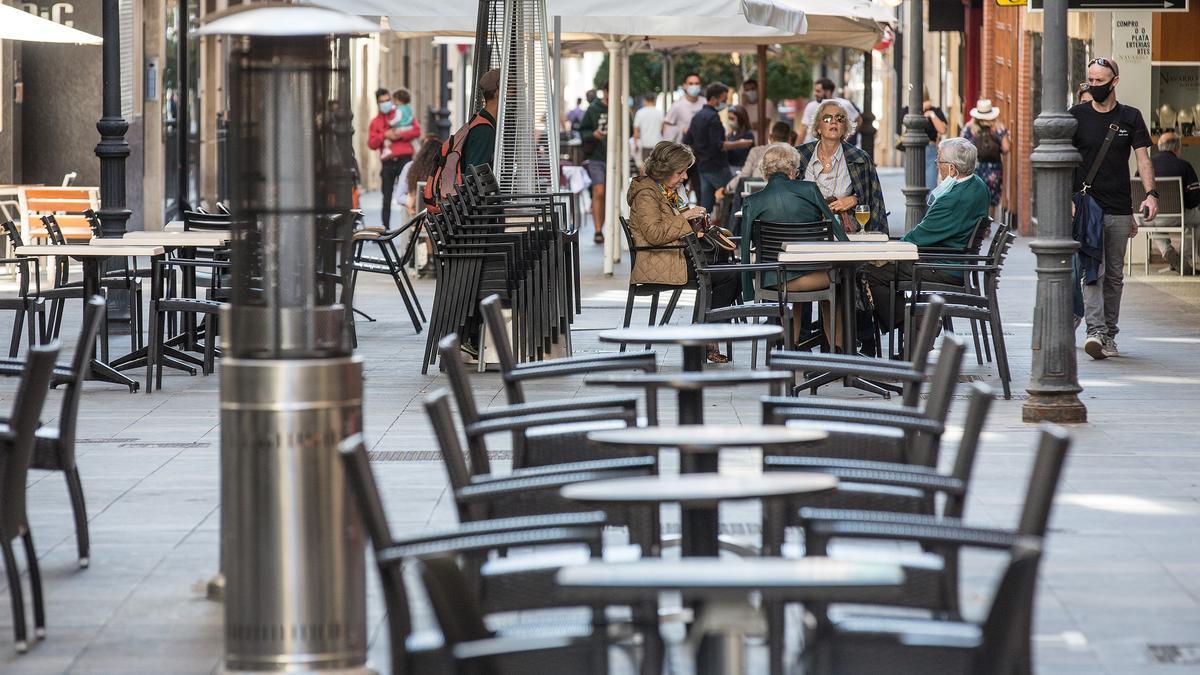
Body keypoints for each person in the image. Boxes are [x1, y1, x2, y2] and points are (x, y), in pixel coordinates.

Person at [1070, 56, 1157, 360]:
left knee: (1115, 274)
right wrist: (1069, 198)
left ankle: (1109, 334)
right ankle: (1095, 332)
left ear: (1114, 81)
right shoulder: (1076, 115)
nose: (1094, 86)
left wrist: (1151, 193)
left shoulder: (1131, 117)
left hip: (1120, 206)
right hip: (1088, 206)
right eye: (1090, 81)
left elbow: (1143, 159)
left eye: (1099, 81)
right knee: (1094, 269)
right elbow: (1065, 160)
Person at [627, 141, 740, 362]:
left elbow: (673, 224)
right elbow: (654, 235)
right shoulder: (646, 195)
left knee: (728, 270)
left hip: (674, 254)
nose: (685, 177)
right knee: (729, 274)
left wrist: (694, 218)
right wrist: (685, 217)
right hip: (659, 260)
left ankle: (705, 330)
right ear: (664, 172)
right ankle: (706, 332)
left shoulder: (668, 191)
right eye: (680, 172)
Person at [865, 138, 990, 331]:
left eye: (938, 162)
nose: (937, 167)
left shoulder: (951, 199)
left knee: (870, 272)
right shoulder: (978, 184)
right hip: (953, 261)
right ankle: (913, 329)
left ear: (951, 169)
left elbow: (919, 237)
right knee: (880, 268)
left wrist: (888, 253)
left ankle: (918, 324)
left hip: (943, 266)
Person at [738, 144, 846, 348]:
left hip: (772, 280)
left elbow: (745, 248)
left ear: (764, 171)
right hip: (814, 278)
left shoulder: (752, 202)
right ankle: (837, 351)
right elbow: (837, 233)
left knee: (794, 290)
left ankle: (791, 348)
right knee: (841, 282)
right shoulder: (810, 189)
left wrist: (749, 292)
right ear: (793, 170)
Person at [796, 100, 888, 234]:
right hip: (805, 230)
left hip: (846, 232)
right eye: (827, 118)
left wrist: (855, 199)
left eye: (840, 118)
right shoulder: (799, 156)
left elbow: (874, 201)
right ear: (818, 127)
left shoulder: (860, 158)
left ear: (844, 127)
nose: (834, 122)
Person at [683, 82, 754, 214]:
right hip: (717, 166)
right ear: (715, 98)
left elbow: (687, 140)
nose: (725, 102)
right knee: (733, 194)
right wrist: (741, 143)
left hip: (702, 165)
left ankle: (703, 230)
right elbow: (719, 145)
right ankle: (732, 228)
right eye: (724, 99)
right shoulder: (713, 118)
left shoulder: (697, 116)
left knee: (705, 205)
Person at [368, 87, 422, 228]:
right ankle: (385, 229)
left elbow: (416, 130)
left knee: (409, 194)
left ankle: (412, 227)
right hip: (388, 163)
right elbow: (371, 144)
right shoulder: (375, 122)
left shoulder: (402, 112)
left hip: (405, 159)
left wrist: (399, 135)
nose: (386, 103)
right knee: (386, 197)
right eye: (382, 101)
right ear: (378, 103)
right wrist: (384, 135)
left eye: (388, 100)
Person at [1147, 131, 1200, 274]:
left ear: (1159, 146)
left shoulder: (1147, 165)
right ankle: (1183, 259)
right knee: (1195, 222)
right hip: (1176, 216)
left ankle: (1168, 252)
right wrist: (1188, 206)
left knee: (1153, 220)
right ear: (1177, 148)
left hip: (1150, 217)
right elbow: (1195, 197)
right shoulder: (1184, 166)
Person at [961, 99, 1011, 213]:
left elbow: (962, 147)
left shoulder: (969, 128)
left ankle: (977, 225)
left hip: (975, 168)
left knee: (975, 198)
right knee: (991, 200)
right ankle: (987, 226)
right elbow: (1006, 148)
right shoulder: (998, 128)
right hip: (994, 170)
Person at [578, 81, 610, 244]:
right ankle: (598, 230)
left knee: (607, 195)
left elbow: (630, 130)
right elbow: (582, 130)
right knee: (599, 191)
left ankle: (603, 227)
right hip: (597, 157)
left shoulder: (622, 109)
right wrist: (593, 134)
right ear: (605, 92)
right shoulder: (593, 109)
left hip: (614, 158)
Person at [795, 78, 861, 143]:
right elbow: (803, 130)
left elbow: (859, 120)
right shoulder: (811, 106)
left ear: (828, 92)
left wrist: (846, 138)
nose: (815, 93)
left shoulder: (845, 104)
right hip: (814, 148)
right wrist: (796, 150)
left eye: (818, 91)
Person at [462, 69, 500, 172]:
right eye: (512, 89)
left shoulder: (481, 120)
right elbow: (473, 177)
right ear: (497, 92)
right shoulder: (484, 130)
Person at [662, 72, 706, 143]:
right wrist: (681, 130)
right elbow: (666, 126)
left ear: (700, 85)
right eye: (691, 84)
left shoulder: (705, 103)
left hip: (703, 149)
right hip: (683, 149)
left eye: (696, 83)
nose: (694, 86)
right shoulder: (677, 105)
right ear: (685, 85)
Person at [632, 94, 664, 166]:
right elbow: (663, 129)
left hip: (645, 144)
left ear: (645, 101)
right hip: (657, 144)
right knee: (657, 167)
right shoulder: (660, 113)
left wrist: (635, 143)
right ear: (654, 101)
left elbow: (636, 131)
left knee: (645, 166)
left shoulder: (640, 112)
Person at [725, 105, 756, 172]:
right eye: (729, 118)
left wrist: (728, 146)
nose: (730, 121)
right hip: (731, 168)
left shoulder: (748, 134)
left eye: (732, 119)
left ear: (740, 118)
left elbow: (739, 154)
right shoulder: (731, 134)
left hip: (741, 168)